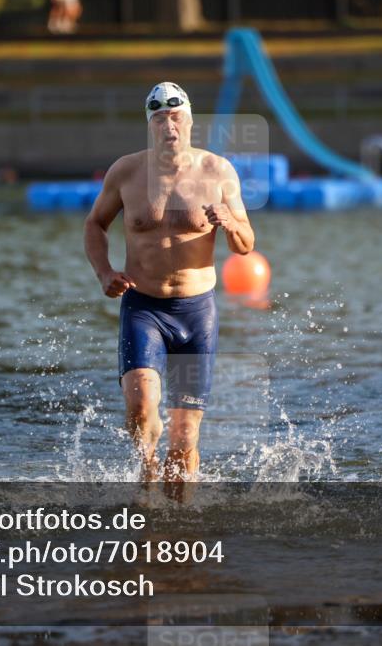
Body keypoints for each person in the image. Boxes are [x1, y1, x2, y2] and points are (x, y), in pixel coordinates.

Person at [83, 82, 255, 487]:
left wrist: (231, 225)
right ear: (150, 125)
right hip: (143, 308)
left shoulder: (218, 172)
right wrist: (105, 272)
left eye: (175, 115)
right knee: (142, 409)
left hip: (197, 314)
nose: (168, 125)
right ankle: (146, 478)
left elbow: (246, 244)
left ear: (190, 119)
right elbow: (95, 224)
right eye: (159, 118)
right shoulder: (126, 171)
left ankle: (182, 527)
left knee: (184, 437)